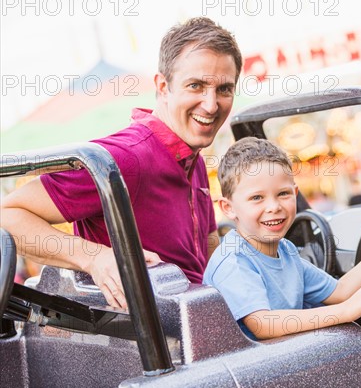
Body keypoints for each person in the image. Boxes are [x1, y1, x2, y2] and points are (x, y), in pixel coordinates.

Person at [0, 17, 243, 309]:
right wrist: (94, 257)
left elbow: (207, 246)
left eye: (224, 89)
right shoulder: (126, 158)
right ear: (163, 87)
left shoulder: (194, 158)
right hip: (144, 343)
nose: (211, 104)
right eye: (196, 86)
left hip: (202, 323)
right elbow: (7, 217)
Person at [203, 137, 361, 340]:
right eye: (257, 198)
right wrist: (344, 311)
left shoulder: (286, 251)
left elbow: (341, 291)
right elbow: (262, 323)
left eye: (283, 194)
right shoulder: (234, 260)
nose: (274, 207)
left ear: (295, 193)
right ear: (228, 208)